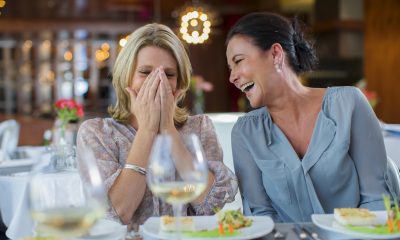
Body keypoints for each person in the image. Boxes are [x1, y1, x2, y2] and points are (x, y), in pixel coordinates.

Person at [226, 12, 394, 222]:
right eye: (230, 68)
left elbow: (377, 201)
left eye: (238, 61)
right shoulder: (246, 133)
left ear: (276, 54)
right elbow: (260, 218)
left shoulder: (348, 104)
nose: (232, 77)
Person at [77, 23, 237, 225]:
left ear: (179, 83)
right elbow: (118, 213)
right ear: (126, 77)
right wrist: (147, 130)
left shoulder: (200, 128)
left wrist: (168, 130)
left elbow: (209, 203)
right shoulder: (97, 133)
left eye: (169, 74)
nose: (158, 81)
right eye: (145, 72)